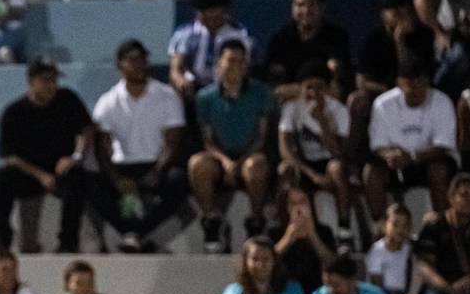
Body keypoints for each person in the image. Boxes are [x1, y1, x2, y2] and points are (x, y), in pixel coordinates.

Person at [90, 39, 187, 253]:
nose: (139, 65)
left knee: (178, 181)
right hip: (122, 165)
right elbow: (102, 148)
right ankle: (131, 232)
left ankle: (137, 232)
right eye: (132, 60)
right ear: (120, 66)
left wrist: (157, 171)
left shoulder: (167, 96)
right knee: (92, 185)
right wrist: (117, 179)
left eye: (142, 59)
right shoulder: (107, 102)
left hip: (156, 162)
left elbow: (173, 142)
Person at [0, 58, 92, 254]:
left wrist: (76, 156)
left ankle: (68, 242)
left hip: (61, 169)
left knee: (78, 178)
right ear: (31, 81)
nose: (51, 86)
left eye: (54, 80)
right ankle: (1, 239)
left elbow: (86, 128)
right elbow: (9, 156)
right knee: (4, 178)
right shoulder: (14, 112)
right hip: (29, 173)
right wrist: (40, 175)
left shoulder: (68, 99)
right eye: (45, 80)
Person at [190, 40, 274, 252]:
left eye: (240, 61)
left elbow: (261, 137)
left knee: (256, 166)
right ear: (219, 64)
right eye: (230, 60)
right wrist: (226, 162)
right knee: (197, 164)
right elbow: (208, 140)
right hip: (220, 157)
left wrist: (240, 162)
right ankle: (212, 222)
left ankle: (255, 222)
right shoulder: (205, 97)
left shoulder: (262, 93)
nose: (235, 66)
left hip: (250, 154)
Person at [365, 55, 459, 229]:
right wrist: (390, 155)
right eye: (410, 84)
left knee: (439, 169)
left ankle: (441, 227)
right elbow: (377, 145)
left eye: (421, 84)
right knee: (371, 172)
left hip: (427, 161)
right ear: (400, 83)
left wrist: (412, 156)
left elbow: (443, 147)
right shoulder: (383, 104)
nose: (416, 90)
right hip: (395, 162)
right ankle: (380, 227)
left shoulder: (441, 102)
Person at [348, 0, 435, 168]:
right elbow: (361, 80)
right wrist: (389, 91)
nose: (401, 21)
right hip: (381, 92)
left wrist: (400, 42)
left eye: (405, 15)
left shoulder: (424, 36)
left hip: (416, 91)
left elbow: (413, 73)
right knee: (356, 101)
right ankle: (354, 162)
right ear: (384, 16)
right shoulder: (373, 38)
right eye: (395, 16)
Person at [278, 60, 352, 247]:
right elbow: (285, 148)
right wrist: (312, 175)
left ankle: (344, 229)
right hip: (304, 165)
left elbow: (339, 154)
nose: (313, 93)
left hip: (328, 162)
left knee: (338, 169)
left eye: (319, 88)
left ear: (327, 89)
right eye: (308, 87)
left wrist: (322, 123)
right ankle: (286, 227)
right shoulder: (291, 108)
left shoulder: (339, 111)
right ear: (300, 88)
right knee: (285, 169)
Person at [264, 0, 351, 101]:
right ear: (293, 8)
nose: (306, 10)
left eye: (312, 5)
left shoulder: (337, 36)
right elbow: (274, 76)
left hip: (324, 91)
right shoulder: (280, 38)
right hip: (291, 93)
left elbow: (337, 73)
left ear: (322, 7)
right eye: (300, 5)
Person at [168, 0, 252, 97]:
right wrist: (180, 79)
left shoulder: (239, 34)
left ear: (225, 12)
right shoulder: (186, 32)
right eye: (205, 17)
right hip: (193, 87)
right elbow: (176, 67)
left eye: (215, 17)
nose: (211, 22)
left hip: (226, 86)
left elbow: (244, 67)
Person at [269, 185, 336, 294]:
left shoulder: (324, 231)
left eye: (302, 202)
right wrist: (288, 238)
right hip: (283, 292)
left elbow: (332, 263)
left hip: (317, 292)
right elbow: (268, 261)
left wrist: (313, 235)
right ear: (286, 207)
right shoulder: (274, 232)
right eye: (293, 203)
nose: (298, 208)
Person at [366, 203, 415, 294]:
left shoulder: (410, 250)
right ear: (385, 225)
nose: (400, 230)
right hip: (383, 293)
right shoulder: (377, 251)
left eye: (405, 226)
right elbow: (377, 284)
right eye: (395, 225)